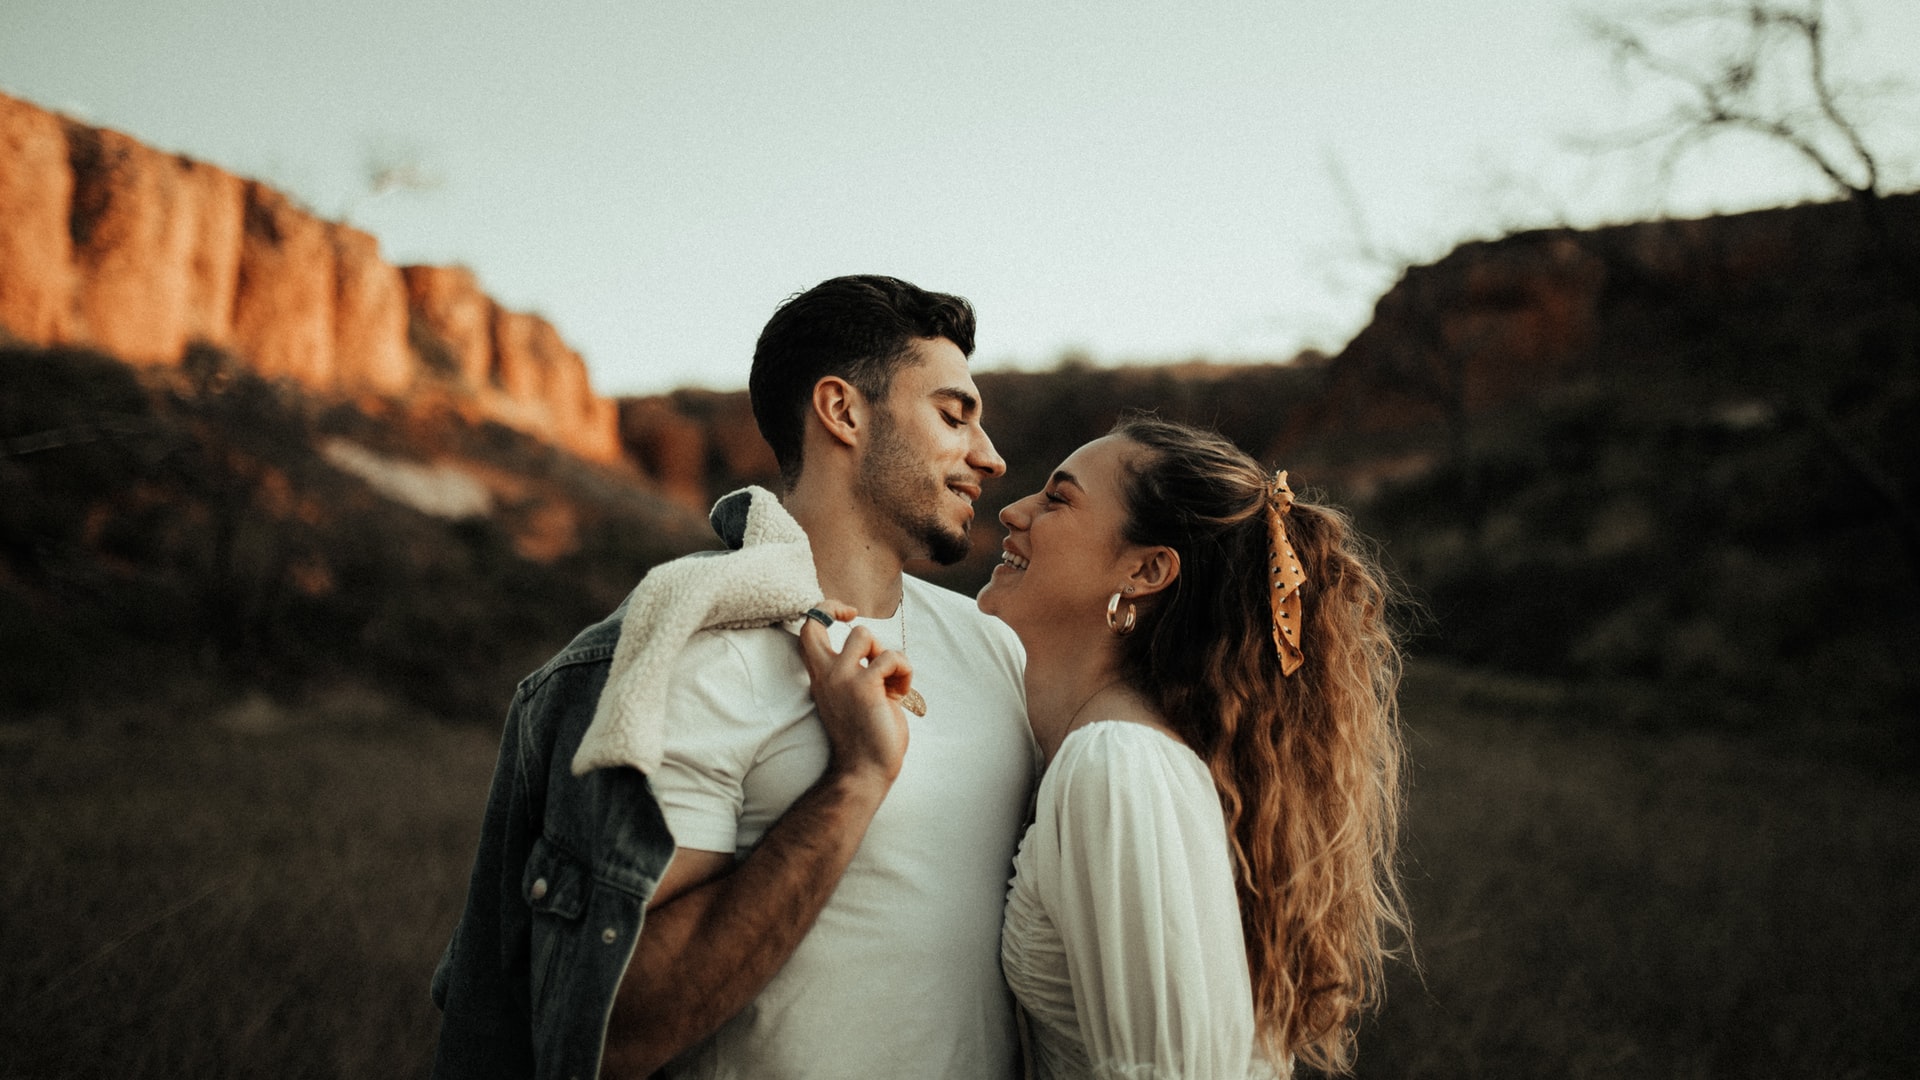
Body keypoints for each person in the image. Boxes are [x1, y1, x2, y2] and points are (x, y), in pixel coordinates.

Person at [429, 275, 1035, 1080]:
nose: (990, 457)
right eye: (954, 415)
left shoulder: (992, 647)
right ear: (842, 410)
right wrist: (852, 784)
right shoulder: (695, 652)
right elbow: (610, 1031)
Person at [817, 415, 1409, 1078]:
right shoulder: (1095, 752)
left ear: (1147, 569)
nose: (1013, 511)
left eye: (1059, 499)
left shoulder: (1118, 765)